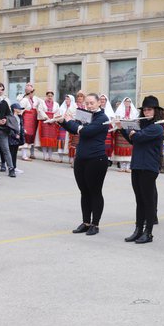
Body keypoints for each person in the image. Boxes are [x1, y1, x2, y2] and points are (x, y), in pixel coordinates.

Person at [116, 96, 164, 244]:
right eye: (144, 110)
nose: (146, 112)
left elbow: (138, 137)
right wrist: (121, 128)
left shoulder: (157, 127)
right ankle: (138, 230)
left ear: (156, 111)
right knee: (139, 200)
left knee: (148, 200)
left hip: (149, 167)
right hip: (137, 165)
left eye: (149, 109)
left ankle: (148, 232)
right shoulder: (142, 125)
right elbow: (133, 139)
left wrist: (132, 132)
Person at [58, 93, 110, 236]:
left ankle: (95, 224)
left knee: (95, 191)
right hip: (81, 158)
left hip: (96, 159)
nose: (89, 106)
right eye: (87, 103)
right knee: (84, 191)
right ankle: (86, 222)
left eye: (92, 103)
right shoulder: (86, 115)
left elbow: (86, 132)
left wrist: (72, 122)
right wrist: (62, 121)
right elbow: (75, 130)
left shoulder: (102, 118)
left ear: (99, 102)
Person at [0, 82, 16, 178]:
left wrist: (5, 120)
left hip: (3, 130)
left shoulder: (4, 102)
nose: (1, 91)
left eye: (2, 89)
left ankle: (11, 169)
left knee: (6, 150)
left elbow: (9, 114)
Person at [112, 97, 138, 172]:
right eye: (126, 101)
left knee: (129, 148)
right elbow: (115, 119)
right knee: (121, 148)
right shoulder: (119, 110)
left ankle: (128, 166)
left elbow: (136, 120)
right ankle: (122, 166)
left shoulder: (134, 111)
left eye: (129, 101)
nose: (127, 103)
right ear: (124, 102)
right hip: (121, 131)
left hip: (129, 130)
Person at [37, 91, 60, 161]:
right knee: (45, 138)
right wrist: (47, 118)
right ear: (46, 96)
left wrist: (53, 119)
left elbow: (57, 112)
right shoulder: (42, 103)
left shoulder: (56, 104)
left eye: (51, 96)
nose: (50, 97)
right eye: (48, 96)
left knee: (51, 139)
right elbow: (40, 110)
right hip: (44, 122)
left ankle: (50, 156)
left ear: (53, 97)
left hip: (52, 122)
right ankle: (44, 156)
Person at [19, 83, 39, 161]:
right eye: (32, 92)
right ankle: (24, 155)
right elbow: (21, 110)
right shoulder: (24, 100)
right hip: (26, 120)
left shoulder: (31, 100)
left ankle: (26, 154)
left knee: (30, 136)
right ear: (29, 92)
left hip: (32, 121)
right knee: (26, 135)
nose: (33, 94)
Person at [3, 103, 25, 173]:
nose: (20, 110)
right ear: (14, 109)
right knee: (11, 153)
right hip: (12, 137)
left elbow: (20, 126)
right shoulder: (10, 117)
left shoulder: (19, 117)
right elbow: (8, 128)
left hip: (17, 137)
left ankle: (14, 167)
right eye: (19, 108)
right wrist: (14, 135)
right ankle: (11, 167)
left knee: (14, 153)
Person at [68, 91, 87, 166]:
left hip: (83, 126)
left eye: (81, 97)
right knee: (74, 143)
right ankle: (73, 160)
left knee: (81, 143)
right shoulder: (73, 106)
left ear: (83, 98)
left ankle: (79, 160)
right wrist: (76, 117)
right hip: (75, 125)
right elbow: (69, 114)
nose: (80, 98)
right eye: (78, 97)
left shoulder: (85, 106)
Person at [57, 94, 76, 163]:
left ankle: (70, 158)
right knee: (61, 141)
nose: (66, 100)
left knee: (69, 142)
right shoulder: (62, 107)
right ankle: (60, 158)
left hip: (70, 126)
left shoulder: (74, 108)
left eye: (68, 99)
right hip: (62, 126)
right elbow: (58, 114)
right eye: (66, 99)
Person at [99, 94, 116, 161]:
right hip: (98, 127)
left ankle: (107, 159)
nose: (102, 100)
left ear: (106, 100)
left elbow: (113, 119)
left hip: (107, 127)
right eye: (101, 99)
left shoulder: (109, 109)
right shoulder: (97, 108)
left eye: (104, 99)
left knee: (107, 144)